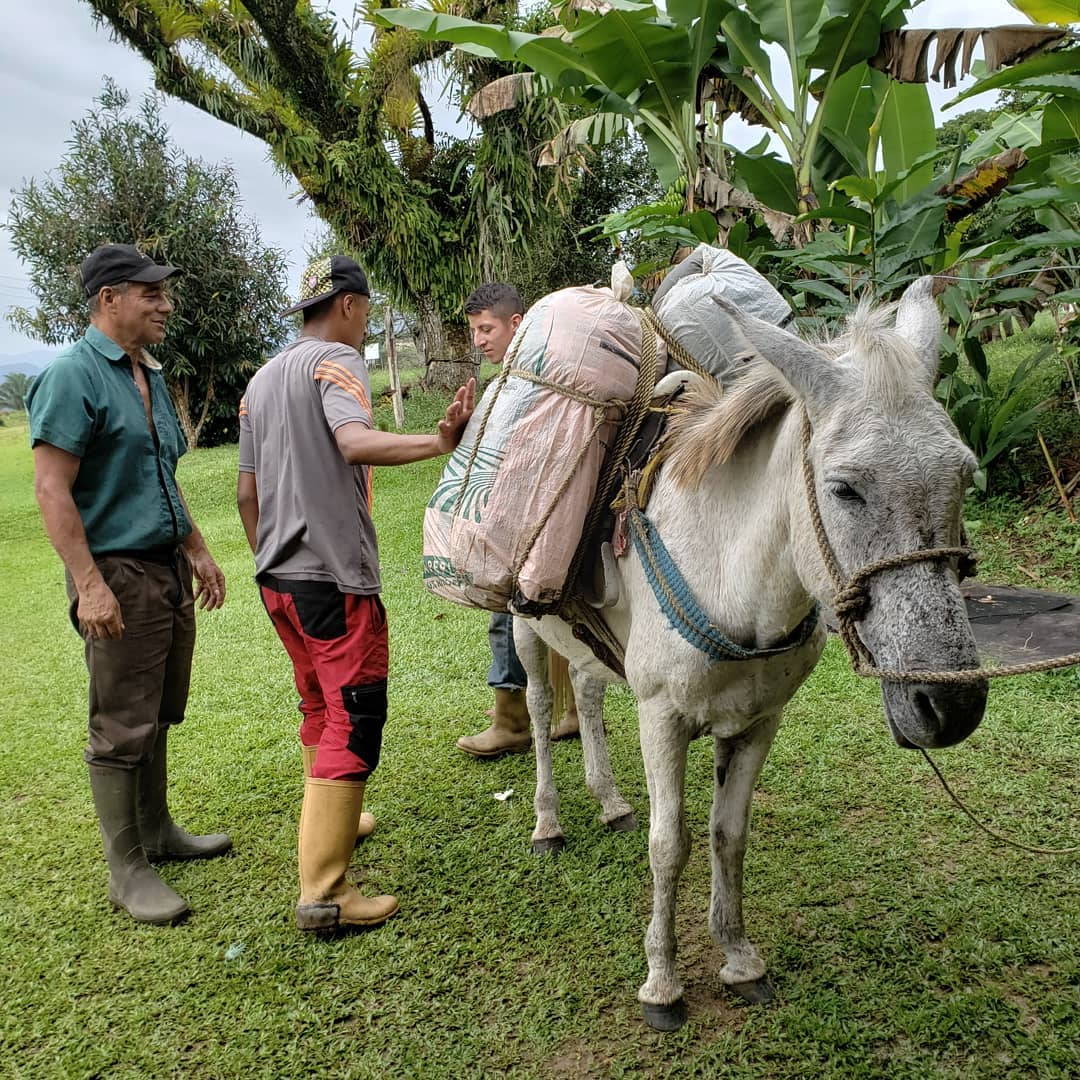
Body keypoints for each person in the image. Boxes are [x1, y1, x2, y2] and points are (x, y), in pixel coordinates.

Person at [237, 255, 475, 932]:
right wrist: (438, 441)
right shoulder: (336, 362)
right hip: (333, 581)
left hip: (279, 581)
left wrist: (272, 557)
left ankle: (336, 820)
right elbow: (353, 443)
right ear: (347, 304)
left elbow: (247, 493)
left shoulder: (261, 380)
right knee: (355, 716)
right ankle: (325, 892)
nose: (366, 324)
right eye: (367, 310)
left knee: (318, 704)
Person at [26, 243, 231, 927]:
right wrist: (89, 585)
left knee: (159, 707)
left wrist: (197, 549)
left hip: (165, 566)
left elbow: (162, 474)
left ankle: (158, 831)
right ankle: (127, 869)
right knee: (120, 723)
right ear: (109, 298)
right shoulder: (72, 375)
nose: (166, 305)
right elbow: (51, 489)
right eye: (152, 294)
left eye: (164, 293)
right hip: (117, 570)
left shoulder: (149, 373)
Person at [454, 283, 580, 759]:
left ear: (516, 323)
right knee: (563, 611)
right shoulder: (553, 368)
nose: (479, 340)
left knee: (506, 608)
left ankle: (510, 720)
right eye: (474, 331)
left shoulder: (524, 379)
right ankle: (571, 710)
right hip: (560, 512)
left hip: (527, 518)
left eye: (486, 329)